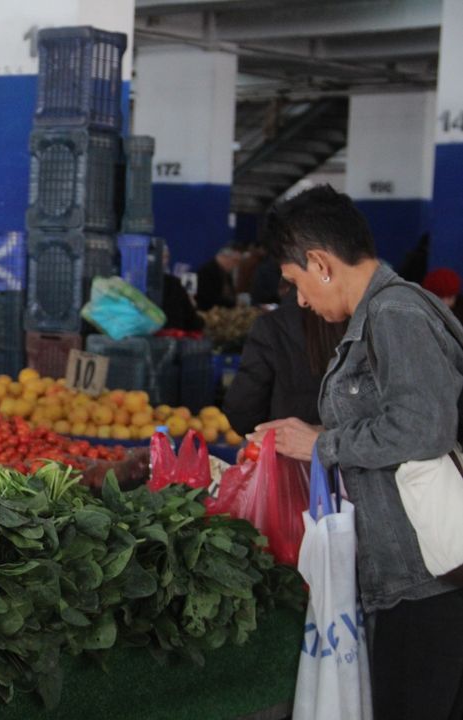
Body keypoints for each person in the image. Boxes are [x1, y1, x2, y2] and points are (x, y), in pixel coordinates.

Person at [250, 185, 463, 719]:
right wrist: (314, 432)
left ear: (320, 263)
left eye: (296, 282)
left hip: (425, 585)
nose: (299, 299)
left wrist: (324, 444)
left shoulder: (394, 314)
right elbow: (398, 416)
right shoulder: (382, 316)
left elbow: (422, 428)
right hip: (411, 580)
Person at [223, 286, 346, 435]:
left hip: (287, 451)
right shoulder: (368, 319)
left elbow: (242, 408)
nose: (302, 301)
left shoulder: (273, 326)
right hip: (352, 451)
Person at [195, 245, 240, 310]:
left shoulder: (226, 272)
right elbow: (208, 296)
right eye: (235, 261)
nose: (236, 265)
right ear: (224, 257)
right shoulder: (207, 271)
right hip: (208, 311)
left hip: (222, 310)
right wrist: (231, 303)